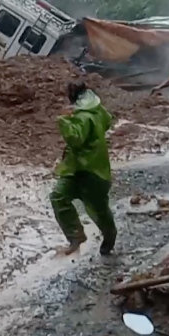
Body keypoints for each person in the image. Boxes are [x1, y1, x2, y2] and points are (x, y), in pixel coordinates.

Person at [50, 81, 117, 256]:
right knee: (59, 196)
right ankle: (76, 236)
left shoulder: (84, 116)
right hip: (77, 167)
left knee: (98, 209)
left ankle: (109, 236)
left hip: (91, 170)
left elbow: (76, 138)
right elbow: (108, 121)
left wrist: (64, 120)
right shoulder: (97, 108)